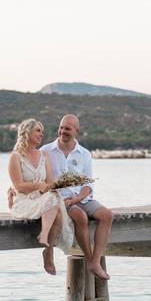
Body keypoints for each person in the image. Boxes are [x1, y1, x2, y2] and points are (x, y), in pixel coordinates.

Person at [41, 114, 113, 281]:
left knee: (107, 215)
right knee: (80, 216)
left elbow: (88, 184)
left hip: (82, 198)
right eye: (61, 127)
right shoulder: (46, 151)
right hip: (60, 200)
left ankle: (94, 262)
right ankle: (90, 261)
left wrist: (77, 198)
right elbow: (35, 175)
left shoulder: (84, 153)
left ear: (76, 131)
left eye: (67, 128)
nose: (63, 131)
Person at [7, 118, 73, 275]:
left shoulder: (43, 155)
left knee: (54, 197)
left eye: (42, 131)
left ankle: (46, 245)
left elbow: (50, 183)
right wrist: (38, 186)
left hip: (43, 199)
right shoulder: (15, 157)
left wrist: (54, 187)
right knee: (54, 202)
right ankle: (48, 249)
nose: (41, 134)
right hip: (24, 202)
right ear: (26, 133)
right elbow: (18, 186)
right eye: (38, 130)